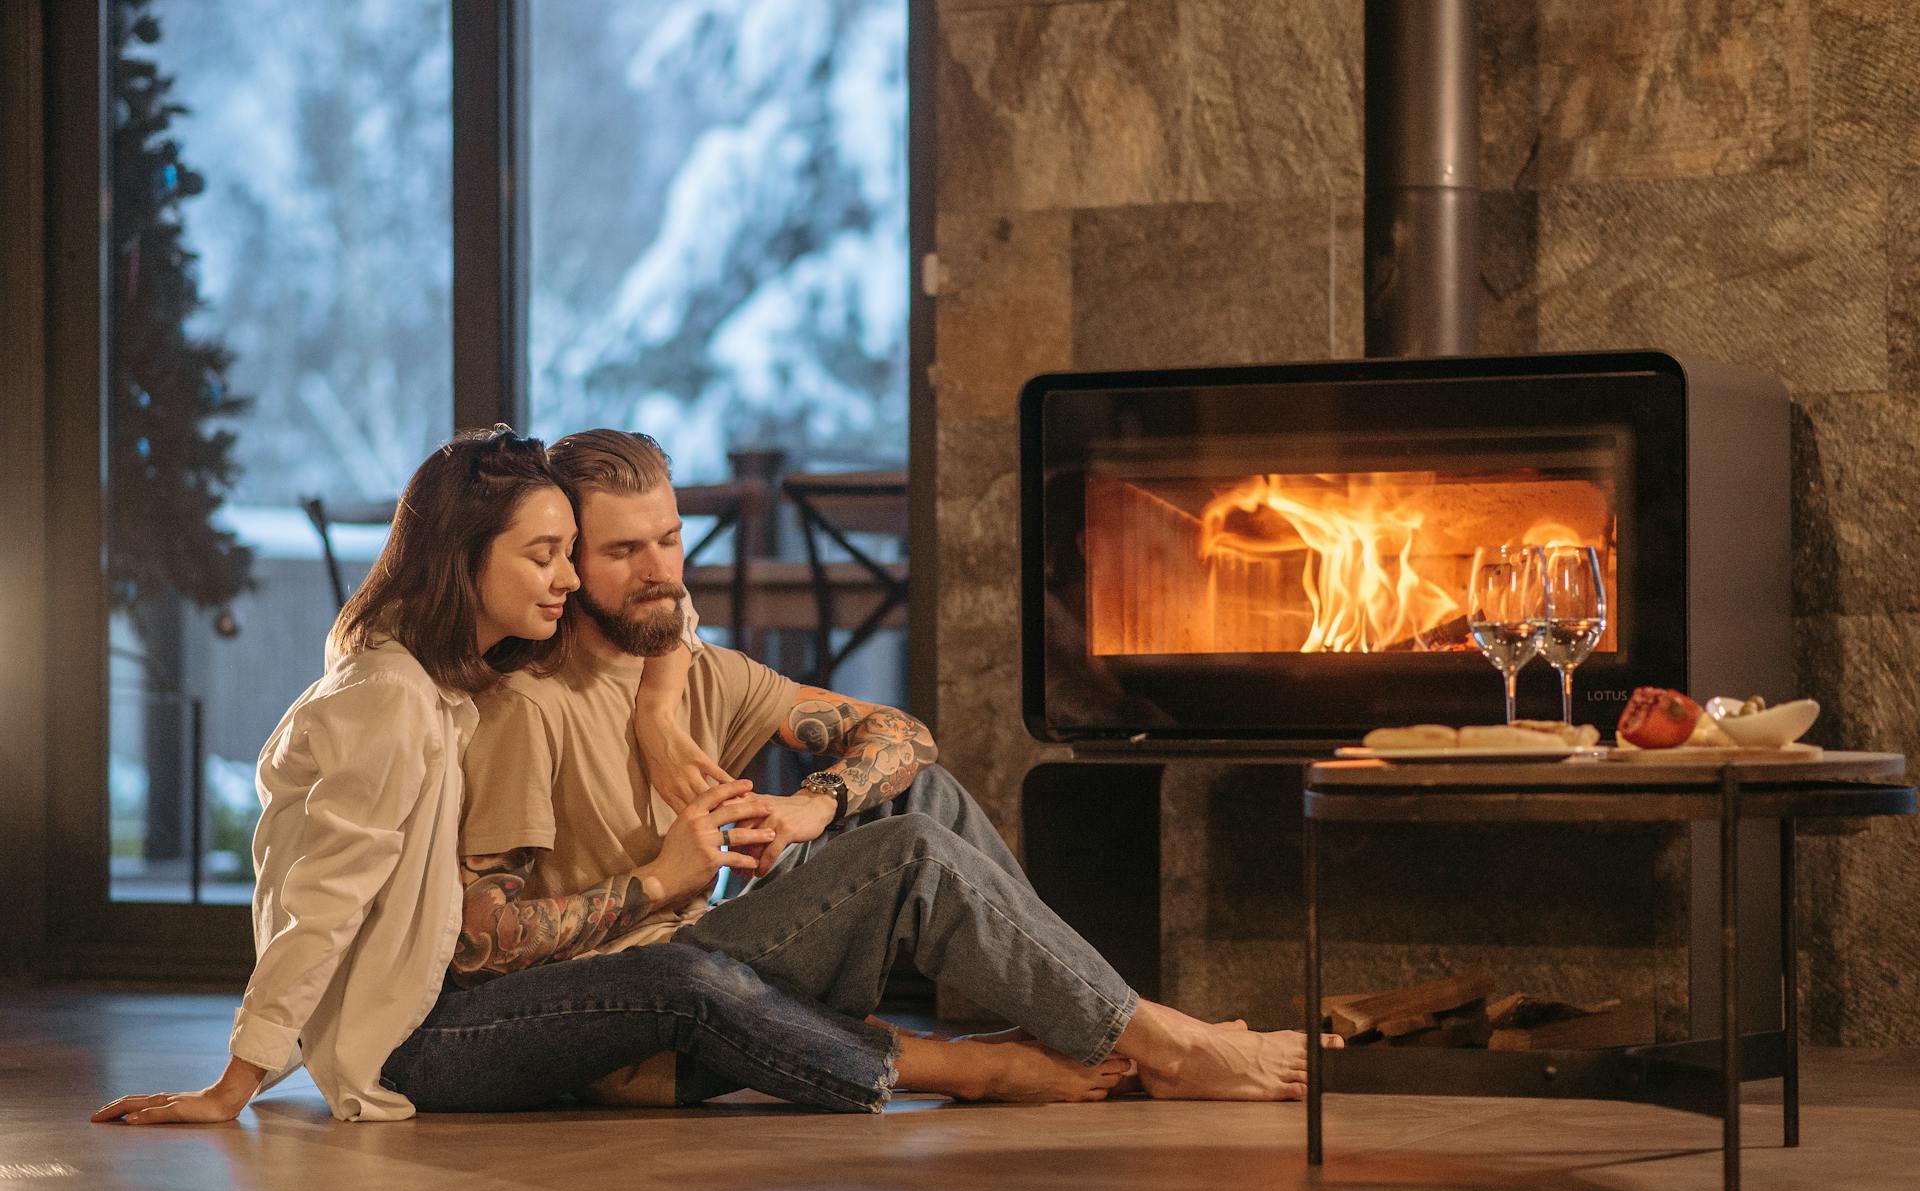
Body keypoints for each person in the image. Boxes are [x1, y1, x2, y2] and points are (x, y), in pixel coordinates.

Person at [93, 430, 1119, 1127]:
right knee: (685, 975)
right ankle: (968, 1059)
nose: (575, 578)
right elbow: (328, 903)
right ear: (467, 561)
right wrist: (237, 1081)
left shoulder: (455, 673)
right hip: (417, 1038)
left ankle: (1109, 1024)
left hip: (527, 994)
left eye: (581, 554)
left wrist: (683, 714)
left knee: (914, 804)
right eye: (552, 555)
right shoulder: (407, 700)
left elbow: (666, 613)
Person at [456, 428, 1341, 1104]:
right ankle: (1163, 1045)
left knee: (923, 798)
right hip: (654, 1020)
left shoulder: (694, 669)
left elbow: (904, 735)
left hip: (716, 945)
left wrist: (812, 805)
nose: (664, 574)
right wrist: (656, 882)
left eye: (671, 540)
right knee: (910, 851)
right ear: (570, 561)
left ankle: (1104, 1028)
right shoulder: (526, 711)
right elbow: (482, 947)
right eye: (624, 553)